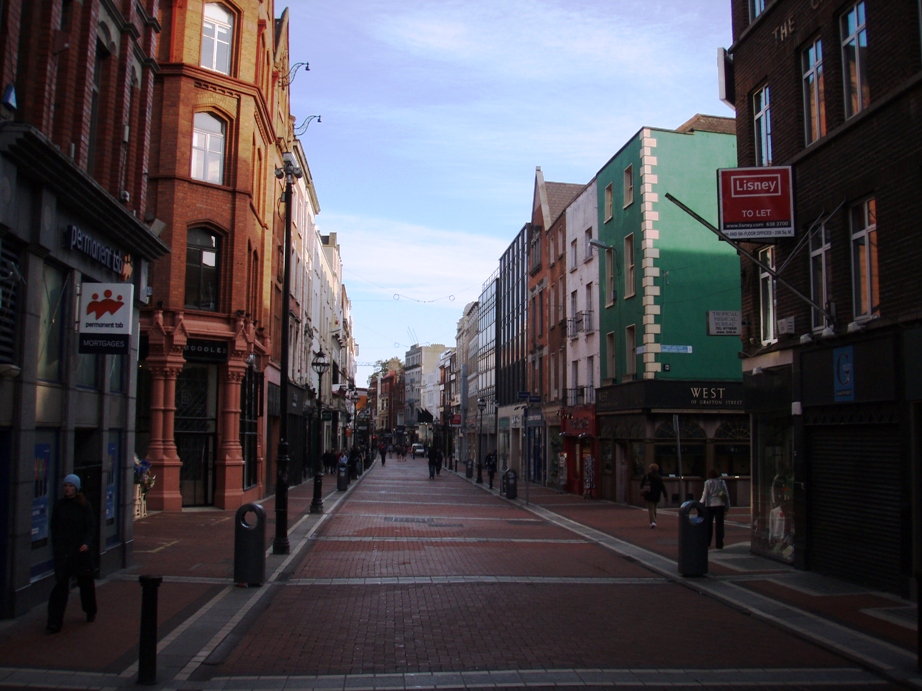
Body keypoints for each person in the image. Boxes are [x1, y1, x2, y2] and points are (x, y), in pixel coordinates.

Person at [47, 474, 97, 633]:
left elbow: (90, 527)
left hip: (80, 552)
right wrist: (58, 546)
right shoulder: (59, 506)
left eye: (70, 486)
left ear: (76, 488)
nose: (67, 489)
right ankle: (54, 622)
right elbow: (54, 527)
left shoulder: (84, 505)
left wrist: (86, 543)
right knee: (60, 586)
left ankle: (90, 610)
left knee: (86, 583)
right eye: (65, 486)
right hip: (64, 552)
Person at [701, 468, 731, 549]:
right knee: (720, 526)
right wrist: (728, 505)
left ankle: (708, 542)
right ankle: (719, 543)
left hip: (709, 505)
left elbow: (705, 494)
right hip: (720, 504)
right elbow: (725, 495)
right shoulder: (721, 482)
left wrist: (700, 503)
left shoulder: (707, 483)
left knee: (708, 525)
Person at [640, 463, 667, 528]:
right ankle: (654, 520)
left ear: (650, 469)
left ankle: (653, 522)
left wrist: (644, 489)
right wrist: (665, 495)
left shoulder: (647, 476)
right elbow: (662, 486)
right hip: (657, 494)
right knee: (654, 508)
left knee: (651, 509)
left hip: (649, 494)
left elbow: (642, 484)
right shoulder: (659, 477)